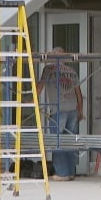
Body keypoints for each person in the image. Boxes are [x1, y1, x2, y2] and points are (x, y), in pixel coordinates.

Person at [36, 47, 84, 181]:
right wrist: (80, 110)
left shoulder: (49, 69)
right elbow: (79, 94)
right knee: (69, 141)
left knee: (57, 141)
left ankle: (62, 173)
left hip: (59, 109)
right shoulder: (72, 71)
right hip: (73, 109)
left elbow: (39, 88)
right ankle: (70, 172)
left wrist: (30, 100)